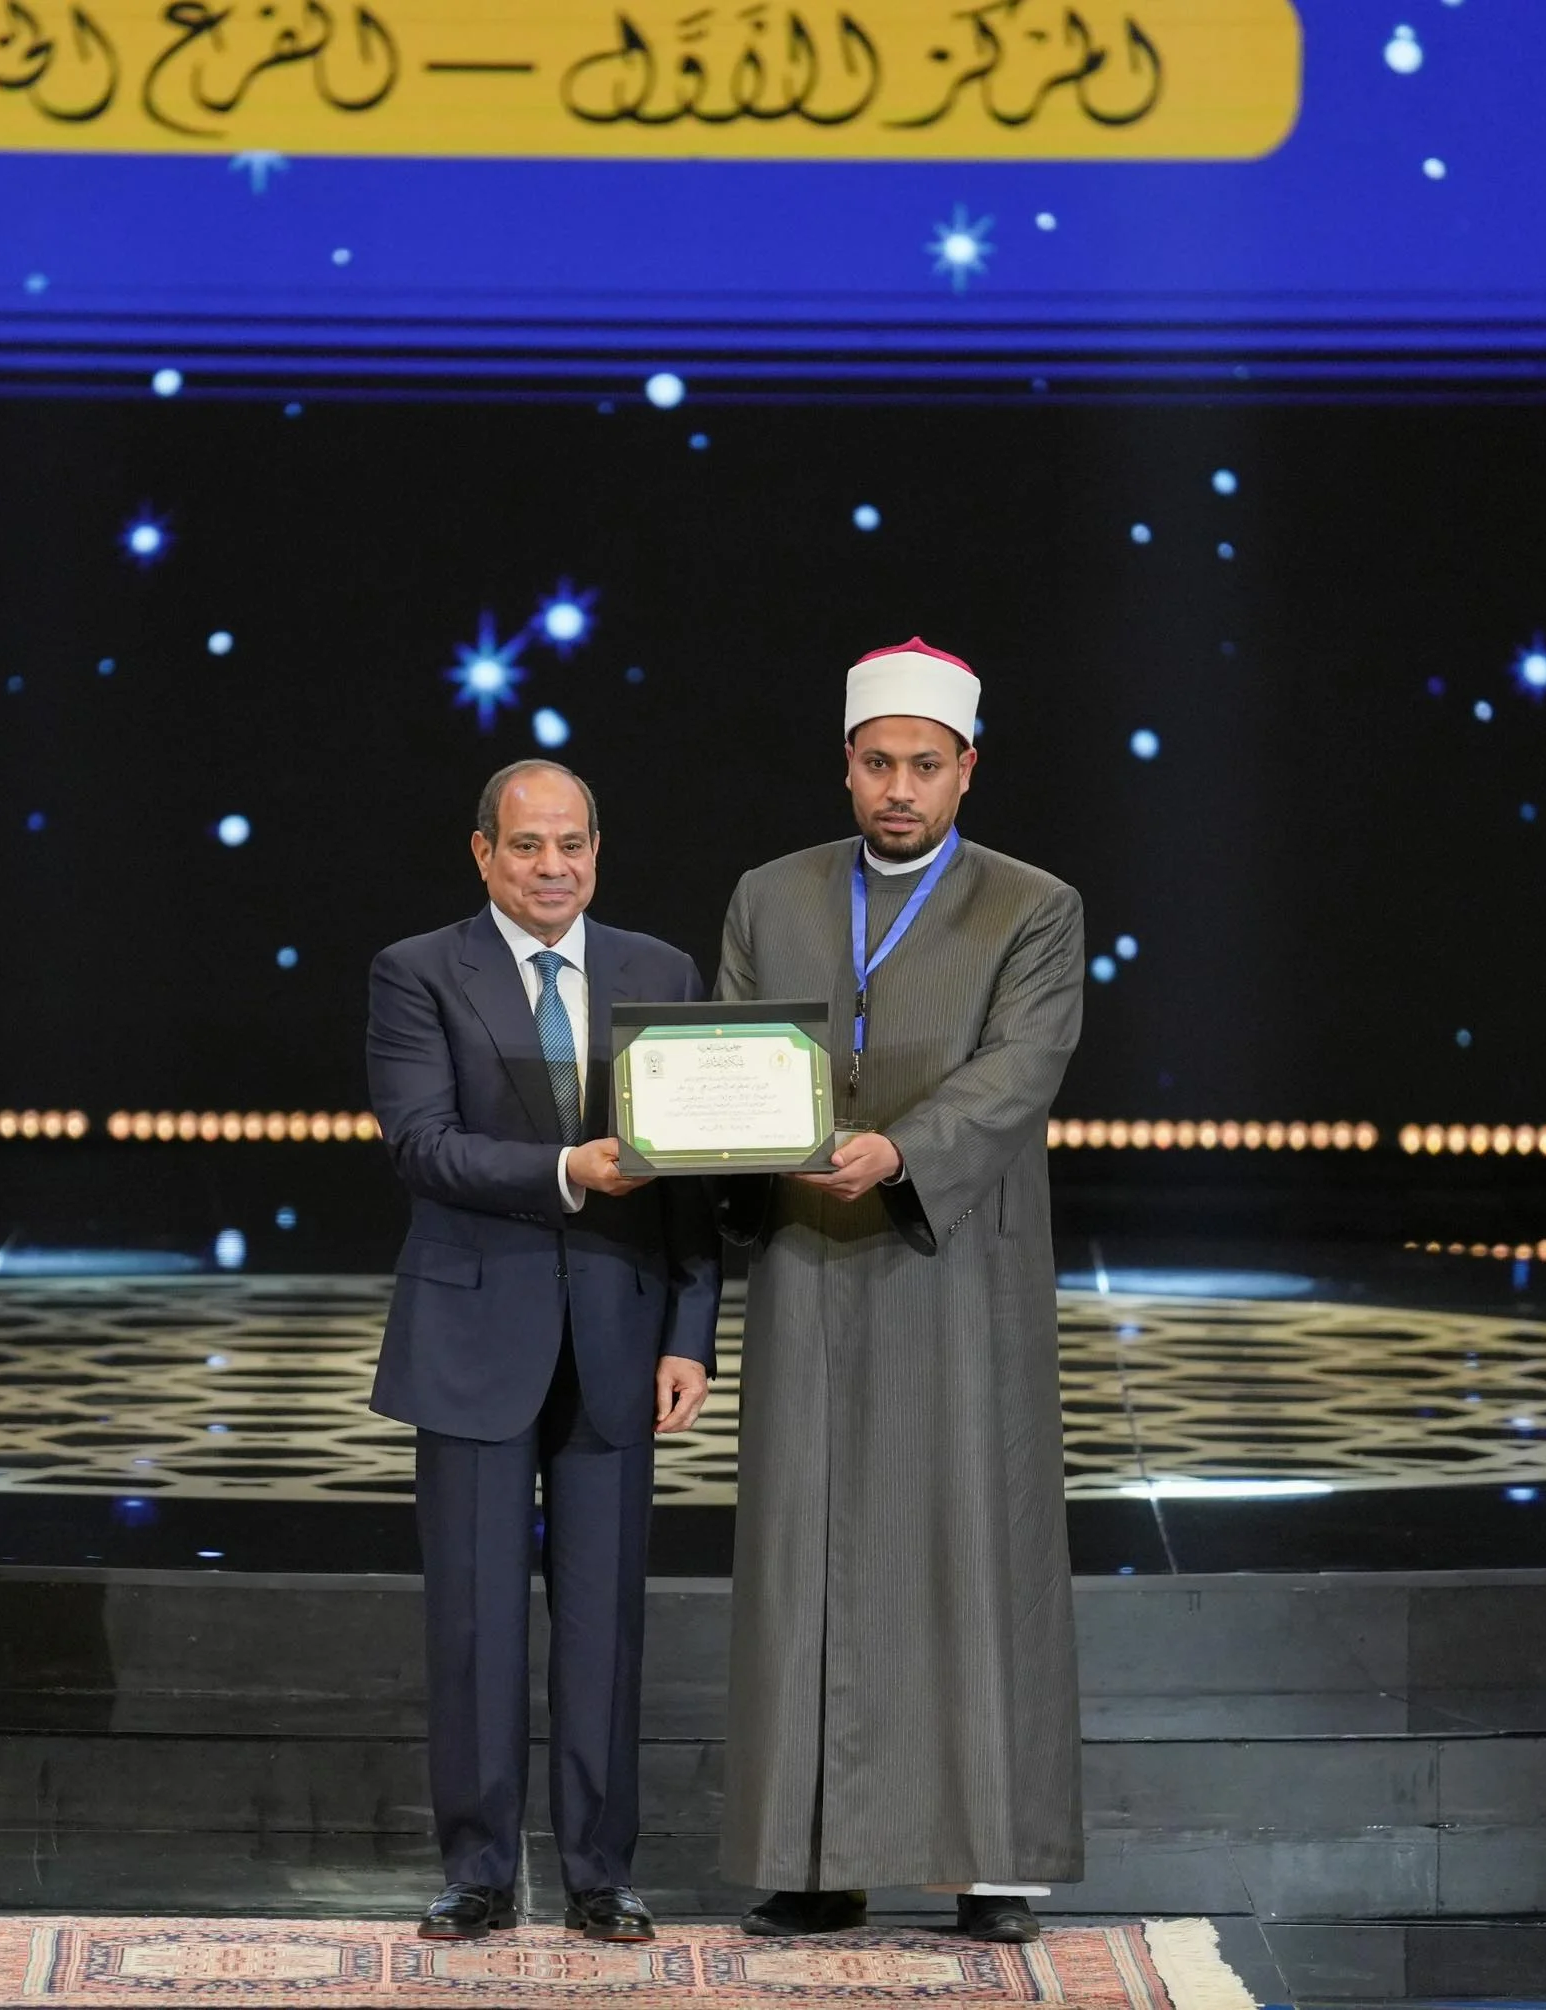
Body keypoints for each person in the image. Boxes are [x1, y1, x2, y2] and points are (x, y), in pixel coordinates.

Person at [714, 639, 1085, 1944]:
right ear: (847, 764)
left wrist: (899, 1152)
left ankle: (993, 1862)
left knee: (971, 1549)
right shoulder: (771, 896)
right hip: (806, 1258)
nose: (899, 789)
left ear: (967, 769)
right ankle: (810, 1860)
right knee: (806, 1556)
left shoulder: (1031, 907)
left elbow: (1019, 1069)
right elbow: (730, 1051)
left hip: (954, 1264)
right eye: (878, 763)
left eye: (925, 766)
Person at [367, 759, 721, 1946]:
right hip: (474, 1336)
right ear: (483, 854)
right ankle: (477, 1870)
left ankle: (599, 1873)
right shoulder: (418, 971)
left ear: (597, 851)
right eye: (526, 846)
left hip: (620, 1336)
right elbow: (422, 1145)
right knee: (472, 1620)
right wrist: (565, 1170)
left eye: (571, 844)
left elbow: (693, 1179)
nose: (551, 867)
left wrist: (690, 1334)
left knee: (603, 1621)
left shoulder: (660, 971)